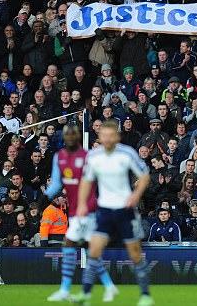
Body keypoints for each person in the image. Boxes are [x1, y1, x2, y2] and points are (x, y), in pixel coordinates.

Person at [74, 120, 154, 306]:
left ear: (117, 137)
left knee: (135, 254)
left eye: (111, 136)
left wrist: (136, 194)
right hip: (104, 210)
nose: (108, 139)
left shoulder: (127, 153)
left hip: (125, 210)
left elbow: (144, 176)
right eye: (105, 136)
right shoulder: (93, 157)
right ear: (100, 137)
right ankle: (85, 294)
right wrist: (82, 204)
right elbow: (86, 181)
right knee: (93, 250)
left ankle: (145, 295)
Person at [44, 125, 118, 302]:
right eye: (67, 134)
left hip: (87, 209)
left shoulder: (88, 157)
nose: (70, 137)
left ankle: (65, 289)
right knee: (88, 249)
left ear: (77, 137)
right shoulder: (59, 157)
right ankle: (109, 285)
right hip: (74, 210)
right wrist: (45, 196)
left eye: (73, 134)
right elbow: (56, 184)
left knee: (69, 244)